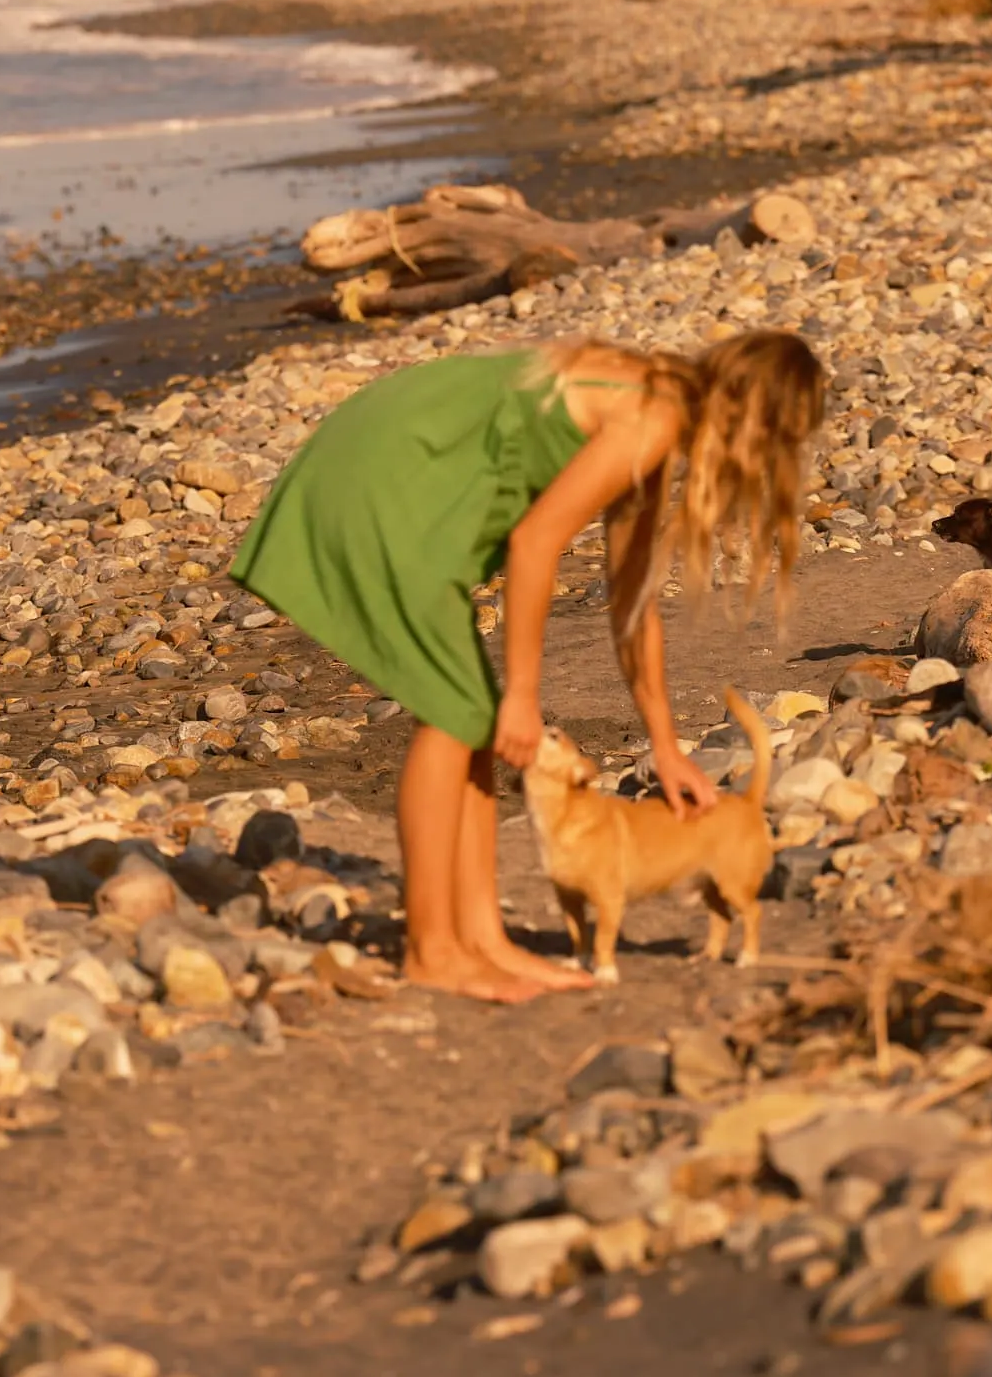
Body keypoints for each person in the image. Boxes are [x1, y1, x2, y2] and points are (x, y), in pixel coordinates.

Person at [230, 329, 827, 1002]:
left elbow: (630, 601)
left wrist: (665, 745)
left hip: (396, 469)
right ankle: (432, 951)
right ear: (757, 418)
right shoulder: (650, 416)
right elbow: (534, 541)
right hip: (385, 478)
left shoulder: (655, 411)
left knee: (471, 723)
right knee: (459, 718)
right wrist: (523, 694)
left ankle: (483, 942)